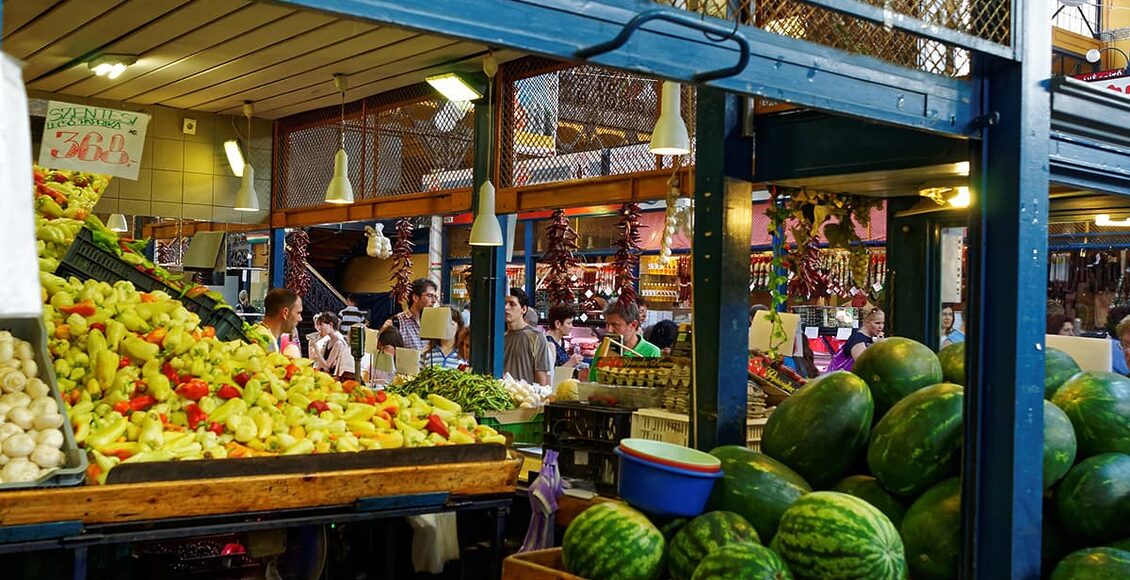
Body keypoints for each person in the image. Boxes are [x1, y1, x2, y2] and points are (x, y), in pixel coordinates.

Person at [503, 288, 550, 385]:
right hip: (501, 396)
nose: (506, 308)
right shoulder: (500, 338)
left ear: (523, 309)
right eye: (504, 303)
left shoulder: (536, 337)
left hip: (526, 397)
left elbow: (541, 377)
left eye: (512, 304)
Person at [827, 307, 884, 372]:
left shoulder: (870, 338)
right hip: (845, 379)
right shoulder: (858, 339)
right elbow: (863, 365)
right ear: (867, 322)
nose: (880, 327)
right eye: (877, 323)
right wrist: (878, 347)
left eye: (883, 323)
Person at [392, 278, 438, 351]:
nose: (434, 301)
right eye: (430, 296)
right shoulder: (397, 322)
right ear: (415, 298)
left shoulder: (433, 323)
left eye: (435, 297)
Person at [258, 288, 303, 358]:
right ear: (285, 313)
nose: (300, 319)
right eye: (298, 313)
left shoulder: (260, 333)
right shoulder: (267, 343)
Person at [309, 312, 356, 379]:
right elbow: (321, 363)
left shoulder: (339, 342)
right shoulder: (328, 341)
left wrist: (316, 348)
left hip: (333, 378)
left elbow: (327, 365)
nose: (319, 328)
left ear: (330, 324)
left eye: (321, 325)